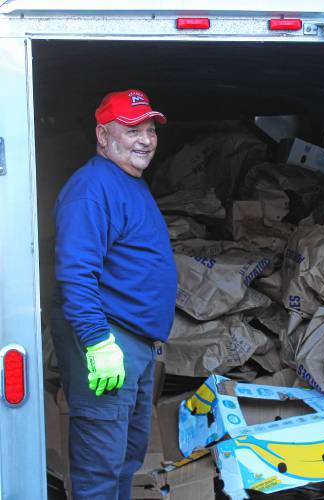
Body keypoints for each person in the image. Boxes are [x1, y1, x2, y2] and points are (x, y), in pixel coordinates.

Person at [51, 89, 177, 499]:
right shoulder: (92, 188)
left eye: (149, 129)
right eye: (131, 130)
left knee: (125, 458)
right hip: (109, 341)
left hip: (134, 345)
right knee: (99, 470)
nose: (145, 139)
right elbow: (76, 272)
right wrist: (97, 342)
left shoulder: (129, 181)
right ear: (103, 136)